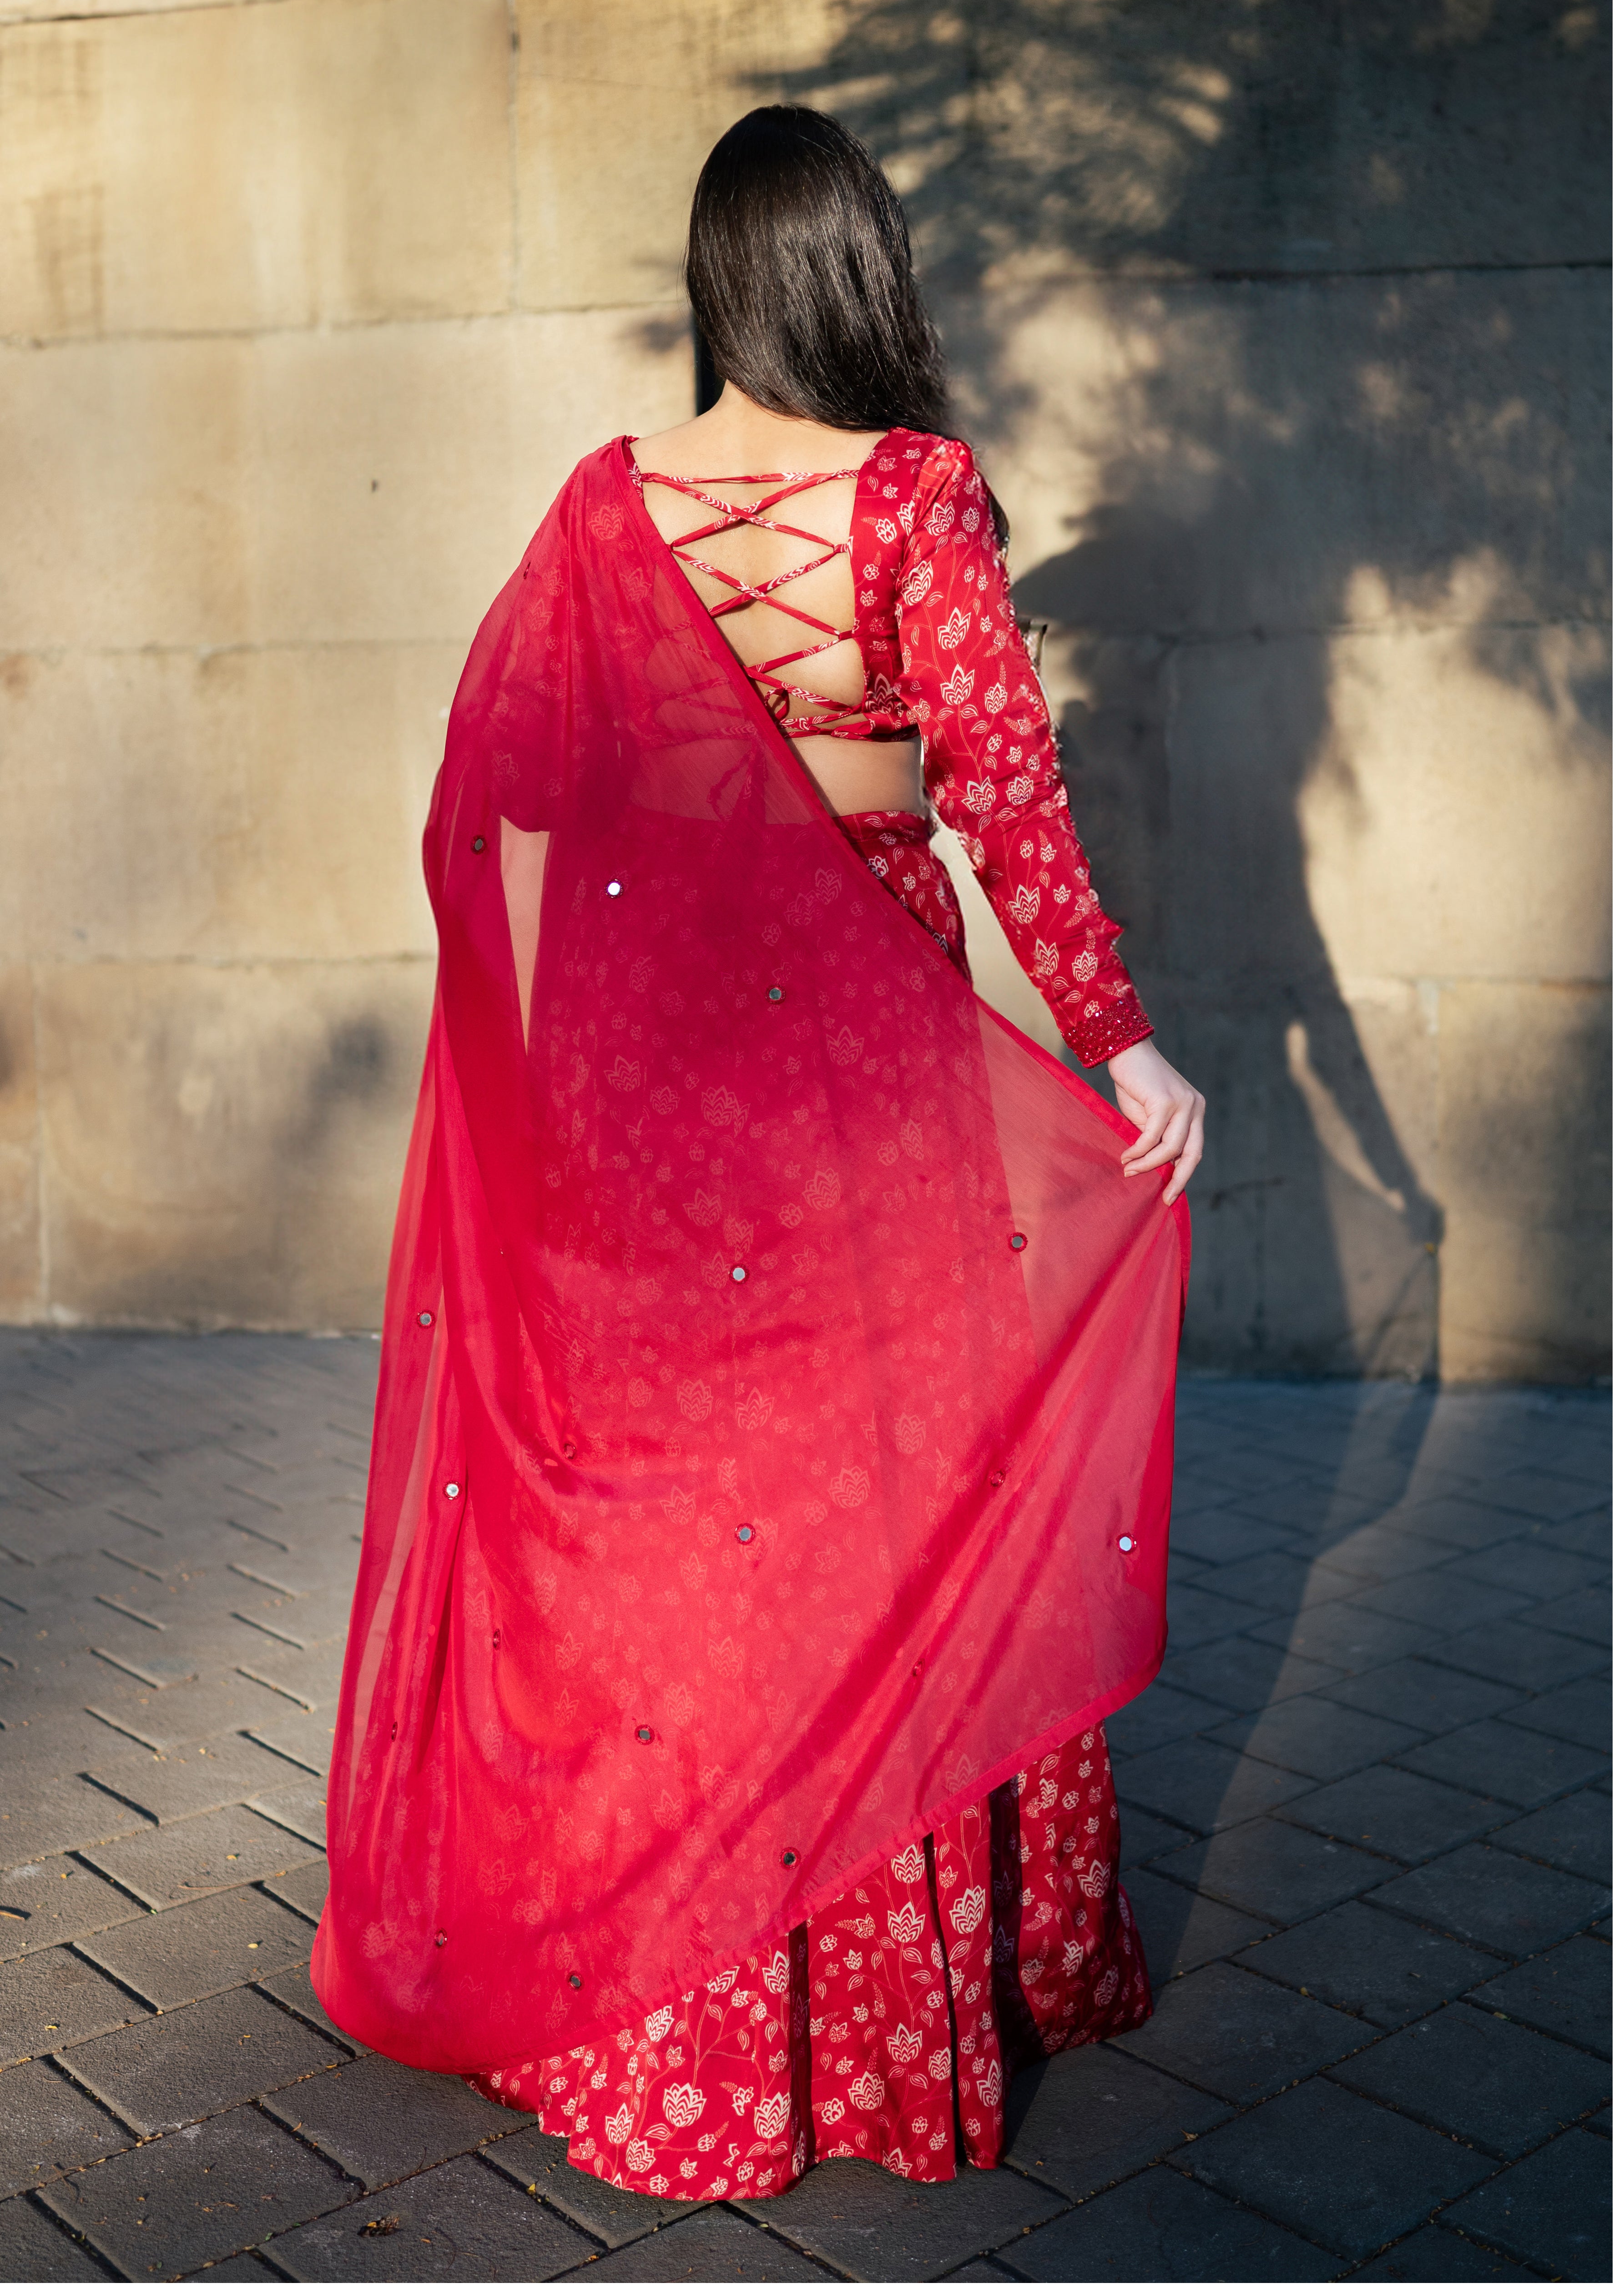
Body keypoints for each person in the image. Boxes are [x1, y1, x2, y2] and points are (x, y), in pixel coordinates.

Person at [313, 107, 1202, 2201]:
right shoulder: (913, 499)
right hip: (860, 1094)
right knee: (883, 1515)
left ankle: (663, 2012)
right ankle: (884, 2024)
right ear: (857, 276)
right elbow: (1003, 802)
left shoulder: (603, 507)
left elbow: (509, 790)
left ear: (719, 283)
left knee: (677, 1528)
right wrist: (1123, 1048)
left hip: (647, 1082)